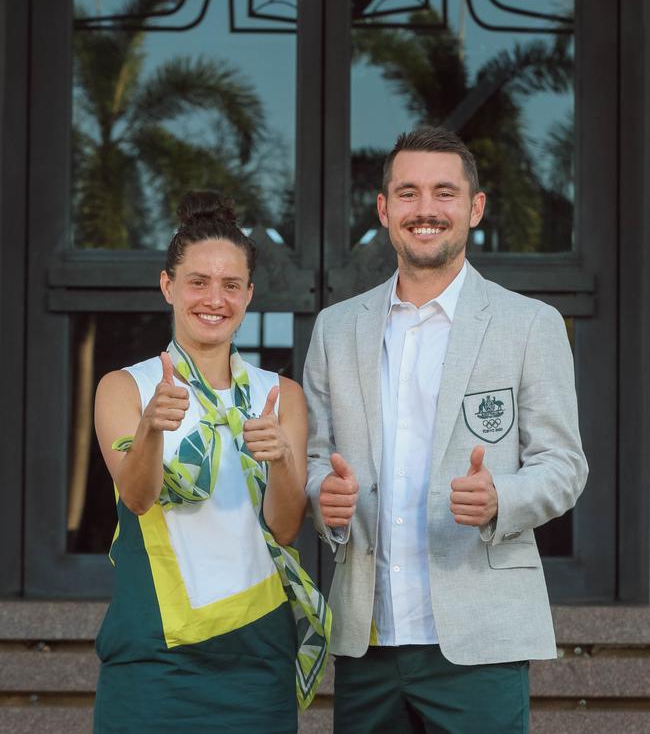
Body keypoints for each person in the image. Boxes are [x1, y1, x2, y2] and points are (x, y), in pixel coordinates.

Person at [304, 126, 588, 734]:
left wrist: (500, 498)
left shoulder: (529, 324)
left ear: (474, 207)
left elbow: (564, 465)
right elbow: (314, 457)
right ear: (383, 210)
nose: (425, 209)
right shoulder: (336, 328)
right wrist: (320, 494)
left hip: (480, 641)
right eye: (407, 193)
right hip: (368, 637)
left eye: (444, 193)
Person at [93, 191, 330, 734]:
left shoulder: (279, 395)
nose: (213, 299)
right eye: (198, 281)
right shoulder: (126, 387)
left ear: (249, 295)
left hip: (255, 652)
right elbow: (137, 496)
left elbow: (286, 527)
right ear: (167, 286)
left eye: (230, 285)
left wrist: (285, 459)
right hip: (155, 652)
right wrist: (152, 429)